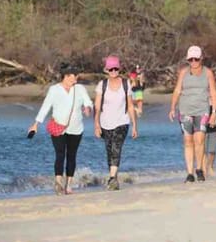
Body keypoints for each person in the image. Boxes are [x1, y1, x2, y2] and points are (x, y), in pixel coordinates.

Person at [29, 64, 93, 195]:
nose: (76, 78)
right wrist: (36, 124)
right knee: (60, 154)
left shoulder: (80, 89)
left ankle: (68, 185)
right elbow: (46, 106)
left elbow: (88, 103)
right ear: (67, 76)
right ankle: (58, 183)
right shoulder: (54, 89)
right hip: (58, 127)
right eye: (74, 75)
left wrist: (88, 109)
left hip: (76, 128)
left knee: (71, 155)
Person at [169, 46, 216, 183]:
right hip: (185, 111)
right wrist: (172, 108)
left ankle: (199, 169)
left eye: (196, 59)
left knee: (200, 140)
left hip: (202, 111)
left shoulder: (208, 73)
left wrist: (214, 112)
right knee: (188, 141)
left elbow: (213, 92)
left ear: (201, 58)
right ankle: (190, 173)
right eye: (191, 59)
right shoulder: (183, 73)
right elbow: (177, 90)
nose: (194, 62)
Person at [94, 56, 138, 191]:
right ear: (106, 70)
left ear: (119, 69)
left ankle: (112, 178)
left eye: (115, 68)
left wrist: (134, 125)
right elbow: (97, 106)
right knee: (109, 150)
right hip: (105, 122)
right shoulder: (102, 85)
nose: (113, 71)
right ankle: (114, 178)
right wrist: (96, 124)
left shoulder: (126, 84)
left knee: (116, 147)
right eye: (110, 69)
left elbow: (130, 106)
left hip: (122, 122)